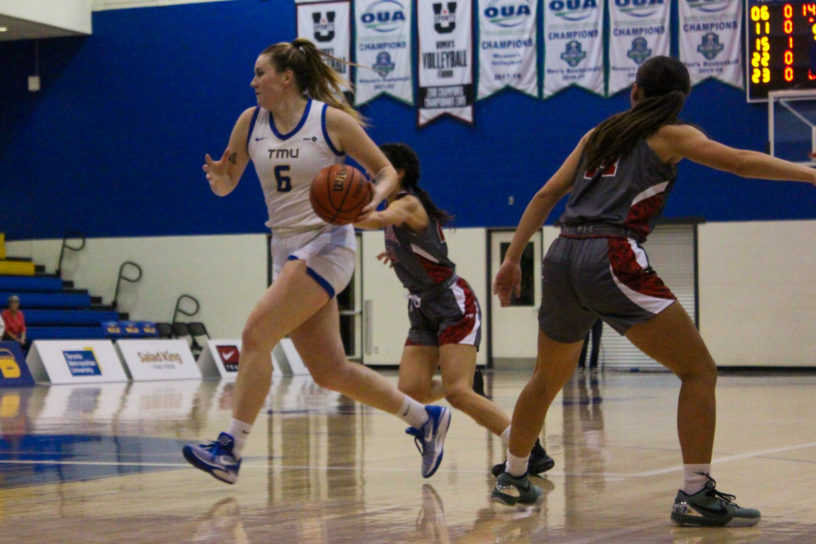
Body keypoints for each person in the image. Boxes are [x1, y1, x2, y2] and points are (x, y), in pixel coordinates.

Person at [490, 56, 816, 526]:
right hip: (611, 253)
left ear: (635, 91)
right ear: (679, 99)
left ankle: (514, 475)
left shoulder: (596, 134)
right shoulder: (671, 134)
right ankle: (697, 492)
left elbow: (545, 195)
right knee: (699, 370)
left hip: (561, 254)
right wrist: (807, 174)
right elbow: (742, 163)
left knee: (545, 378)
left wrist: (510, 257)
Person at [182, 38, 451, 483]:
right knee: (330, 371)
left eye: (260, 73)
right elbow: (228, 182)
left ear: (286, 78)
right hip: (284, 246)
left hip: (328, 243)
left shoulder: (331, 122)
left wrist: (372, 201)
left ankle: (231, 449)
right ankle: (425, 418)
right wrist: (218, 177)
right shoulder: (250, 123)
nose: (252, 83)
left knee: (255, 334)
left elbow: (385, 172)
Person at [355, 143, 554, 477]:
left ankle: (530, 449)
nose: (371, 178)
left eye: (377, 172)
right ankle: (464, 385)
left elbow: (379, 219)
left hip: (451, 302)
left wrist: (335, 214)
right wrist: (400, 257)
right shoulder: (398, 207)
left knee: (458, 394)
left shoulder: (407, 203)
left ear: (397, 173)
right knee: (411, 390)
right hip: (421, 305)